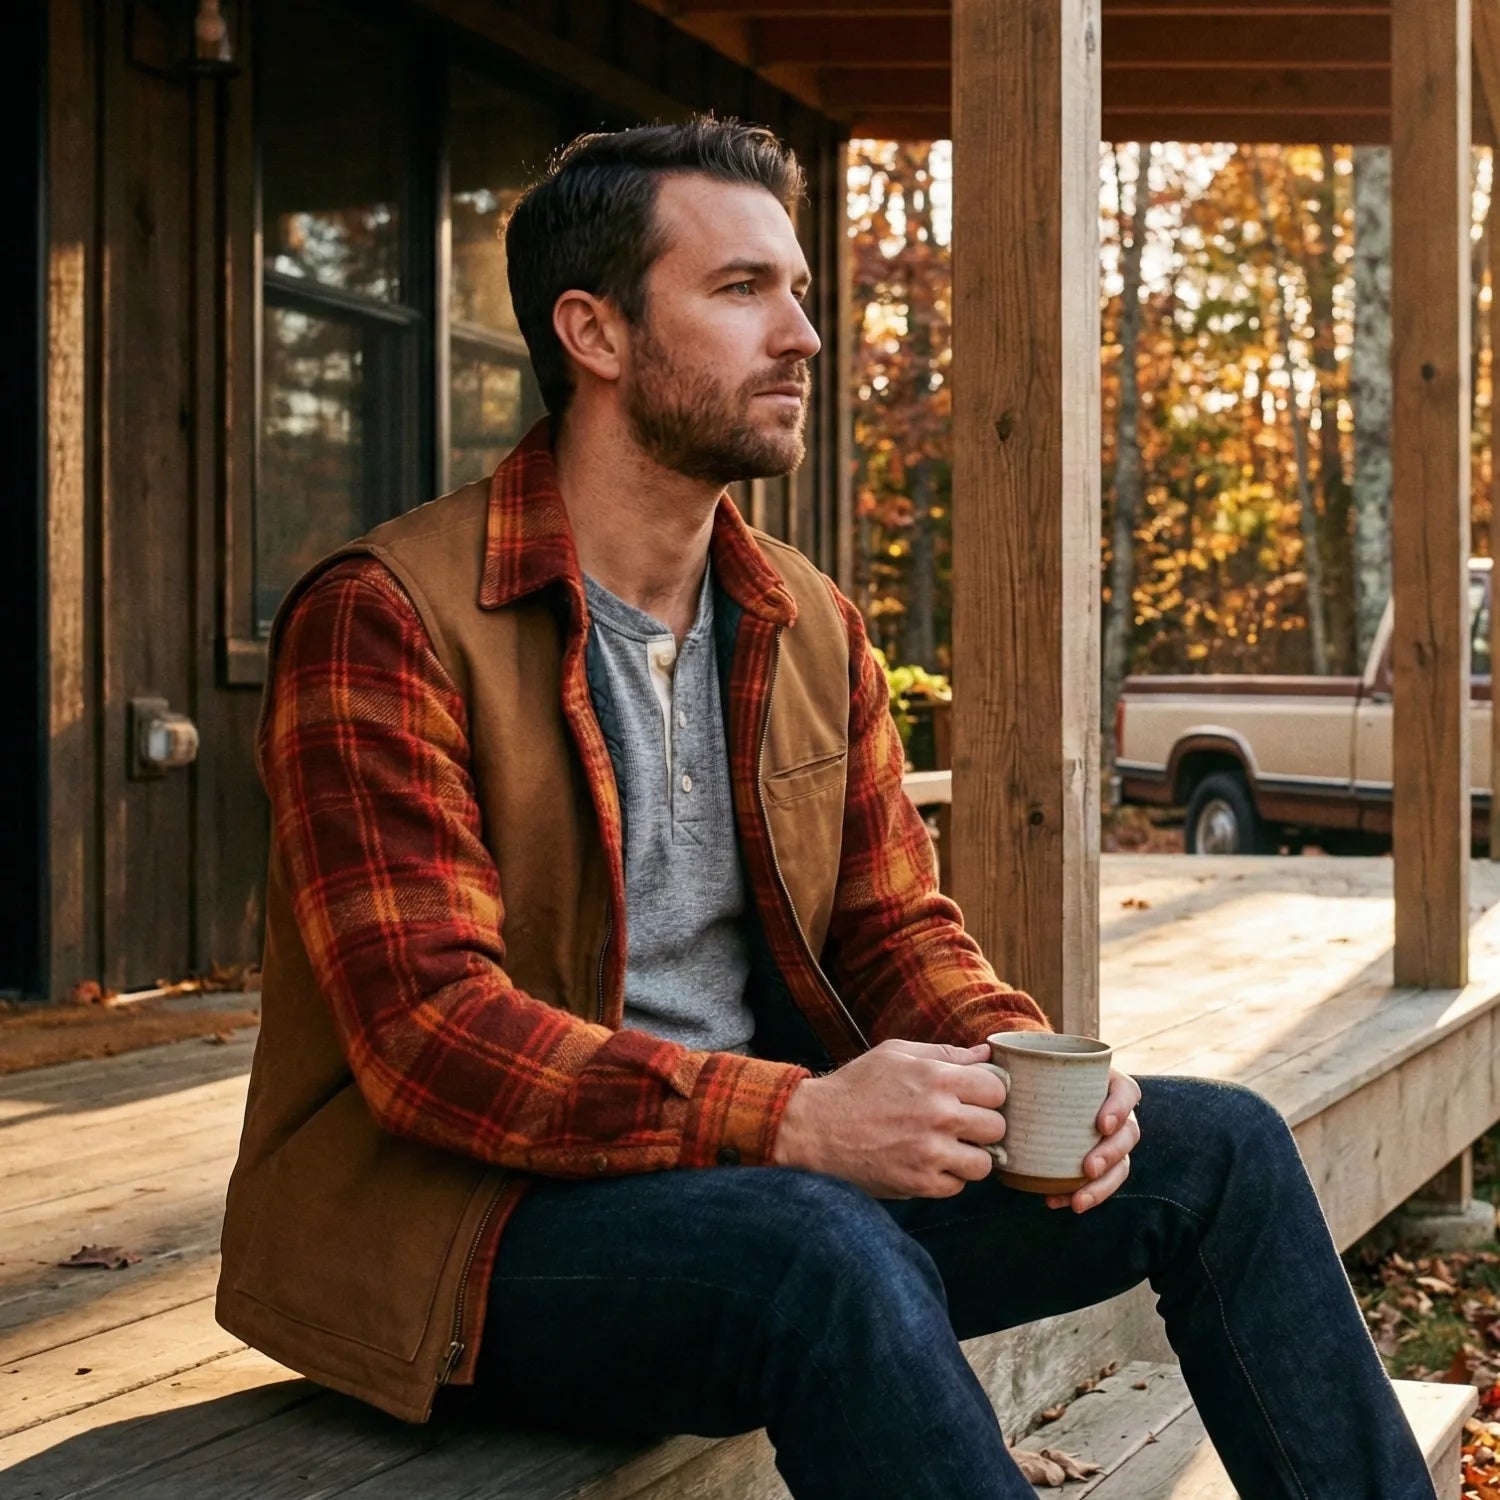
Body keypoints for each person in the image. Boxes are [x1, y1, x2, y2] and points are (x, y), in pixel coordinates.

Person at [216, 116, 1436, 1499]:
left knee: (1224, 1152)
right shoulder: (385, 617)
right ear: (594, 332)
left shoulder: (804, 622)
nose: (802, 334)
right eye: (741, 290)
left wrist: (1025, 1069)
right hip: (473, 1228)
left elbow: (891, 926)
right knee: (820, 1247)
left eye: (799, 291)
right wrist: (792, 1119)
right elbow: (431, 1036)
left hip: (759, 1184)